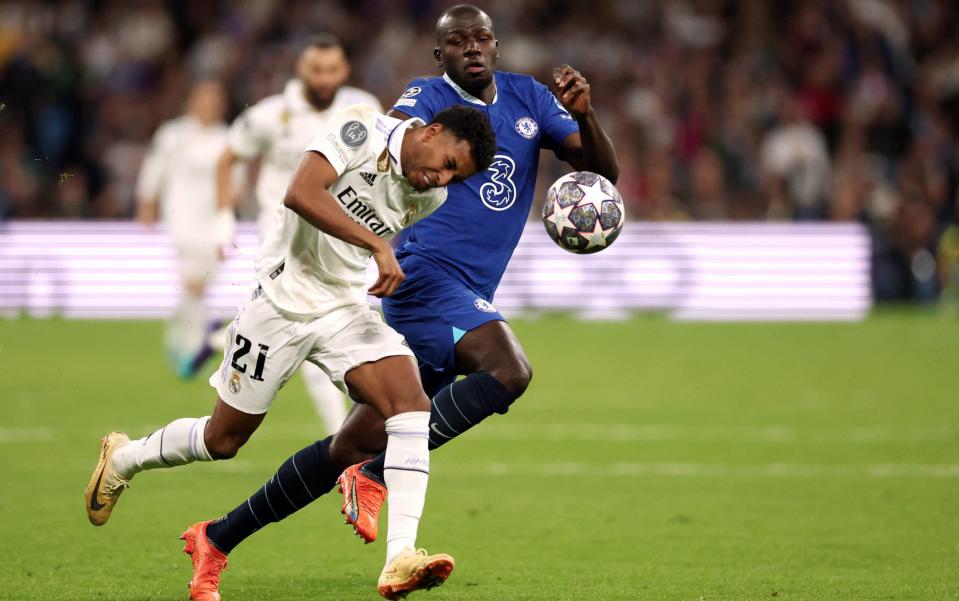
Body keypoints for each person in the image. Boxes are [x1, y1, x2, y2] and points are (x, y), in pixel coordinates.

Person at [175, 3, 619, 596]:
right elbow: (395, 142)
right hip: (425, 277)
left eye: (481, 37)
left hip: (468, 290)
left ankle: (218, 536)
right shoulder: (426, 99)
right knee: (509, 371)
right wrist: (376, 243)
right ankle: (376, 475)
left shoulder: (531, 99)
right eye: (457, 40)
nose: (471, 47)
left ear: (496, 45)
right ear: (441, 54)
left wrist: (586, 118)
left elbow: (601, 171)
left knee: (350, 442)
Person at [84, 103, 497, 601]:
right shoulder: (359, 127)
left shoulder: (426, 197)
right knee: (223, 439)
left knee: (409, 405)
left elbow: (364, 239)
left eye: (456, 177)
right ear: (431, 132)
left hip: (344, 307)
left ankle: (399, 558)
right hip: (279, 303)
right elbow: (300, 192)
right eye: (448, 163)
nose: (441, 180)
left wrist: (379, 256)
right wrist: (378, 247)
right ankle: (126, 458)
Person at [207, 33, 383, 434]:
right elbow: (228, 156)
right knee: (318, 325)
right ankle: (340, 436)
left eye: (332, 69)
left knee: (317, 326)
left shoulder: (363, 109)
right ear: (300, 69)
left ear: (346, 70)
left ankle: (226, 337)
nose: (324, 77)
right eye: (316, 69)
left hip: (339, 239)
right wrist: (224, 215)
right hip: (283, 241)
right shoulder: (271, 115)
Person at [135, 80, 231, 377]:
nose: (210, 105)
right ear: (192, 101)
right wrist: (146, 202)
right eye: (205, 98)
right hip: (182, 219)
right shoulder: (173, 134)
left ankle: (184, 333)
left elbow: (234, 181)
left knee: (201, 286)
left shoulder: (226, 138)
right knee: (192, 281)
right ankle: (193, 348)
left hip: (213, 222)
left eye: (216, 99)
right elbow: (154, 169)